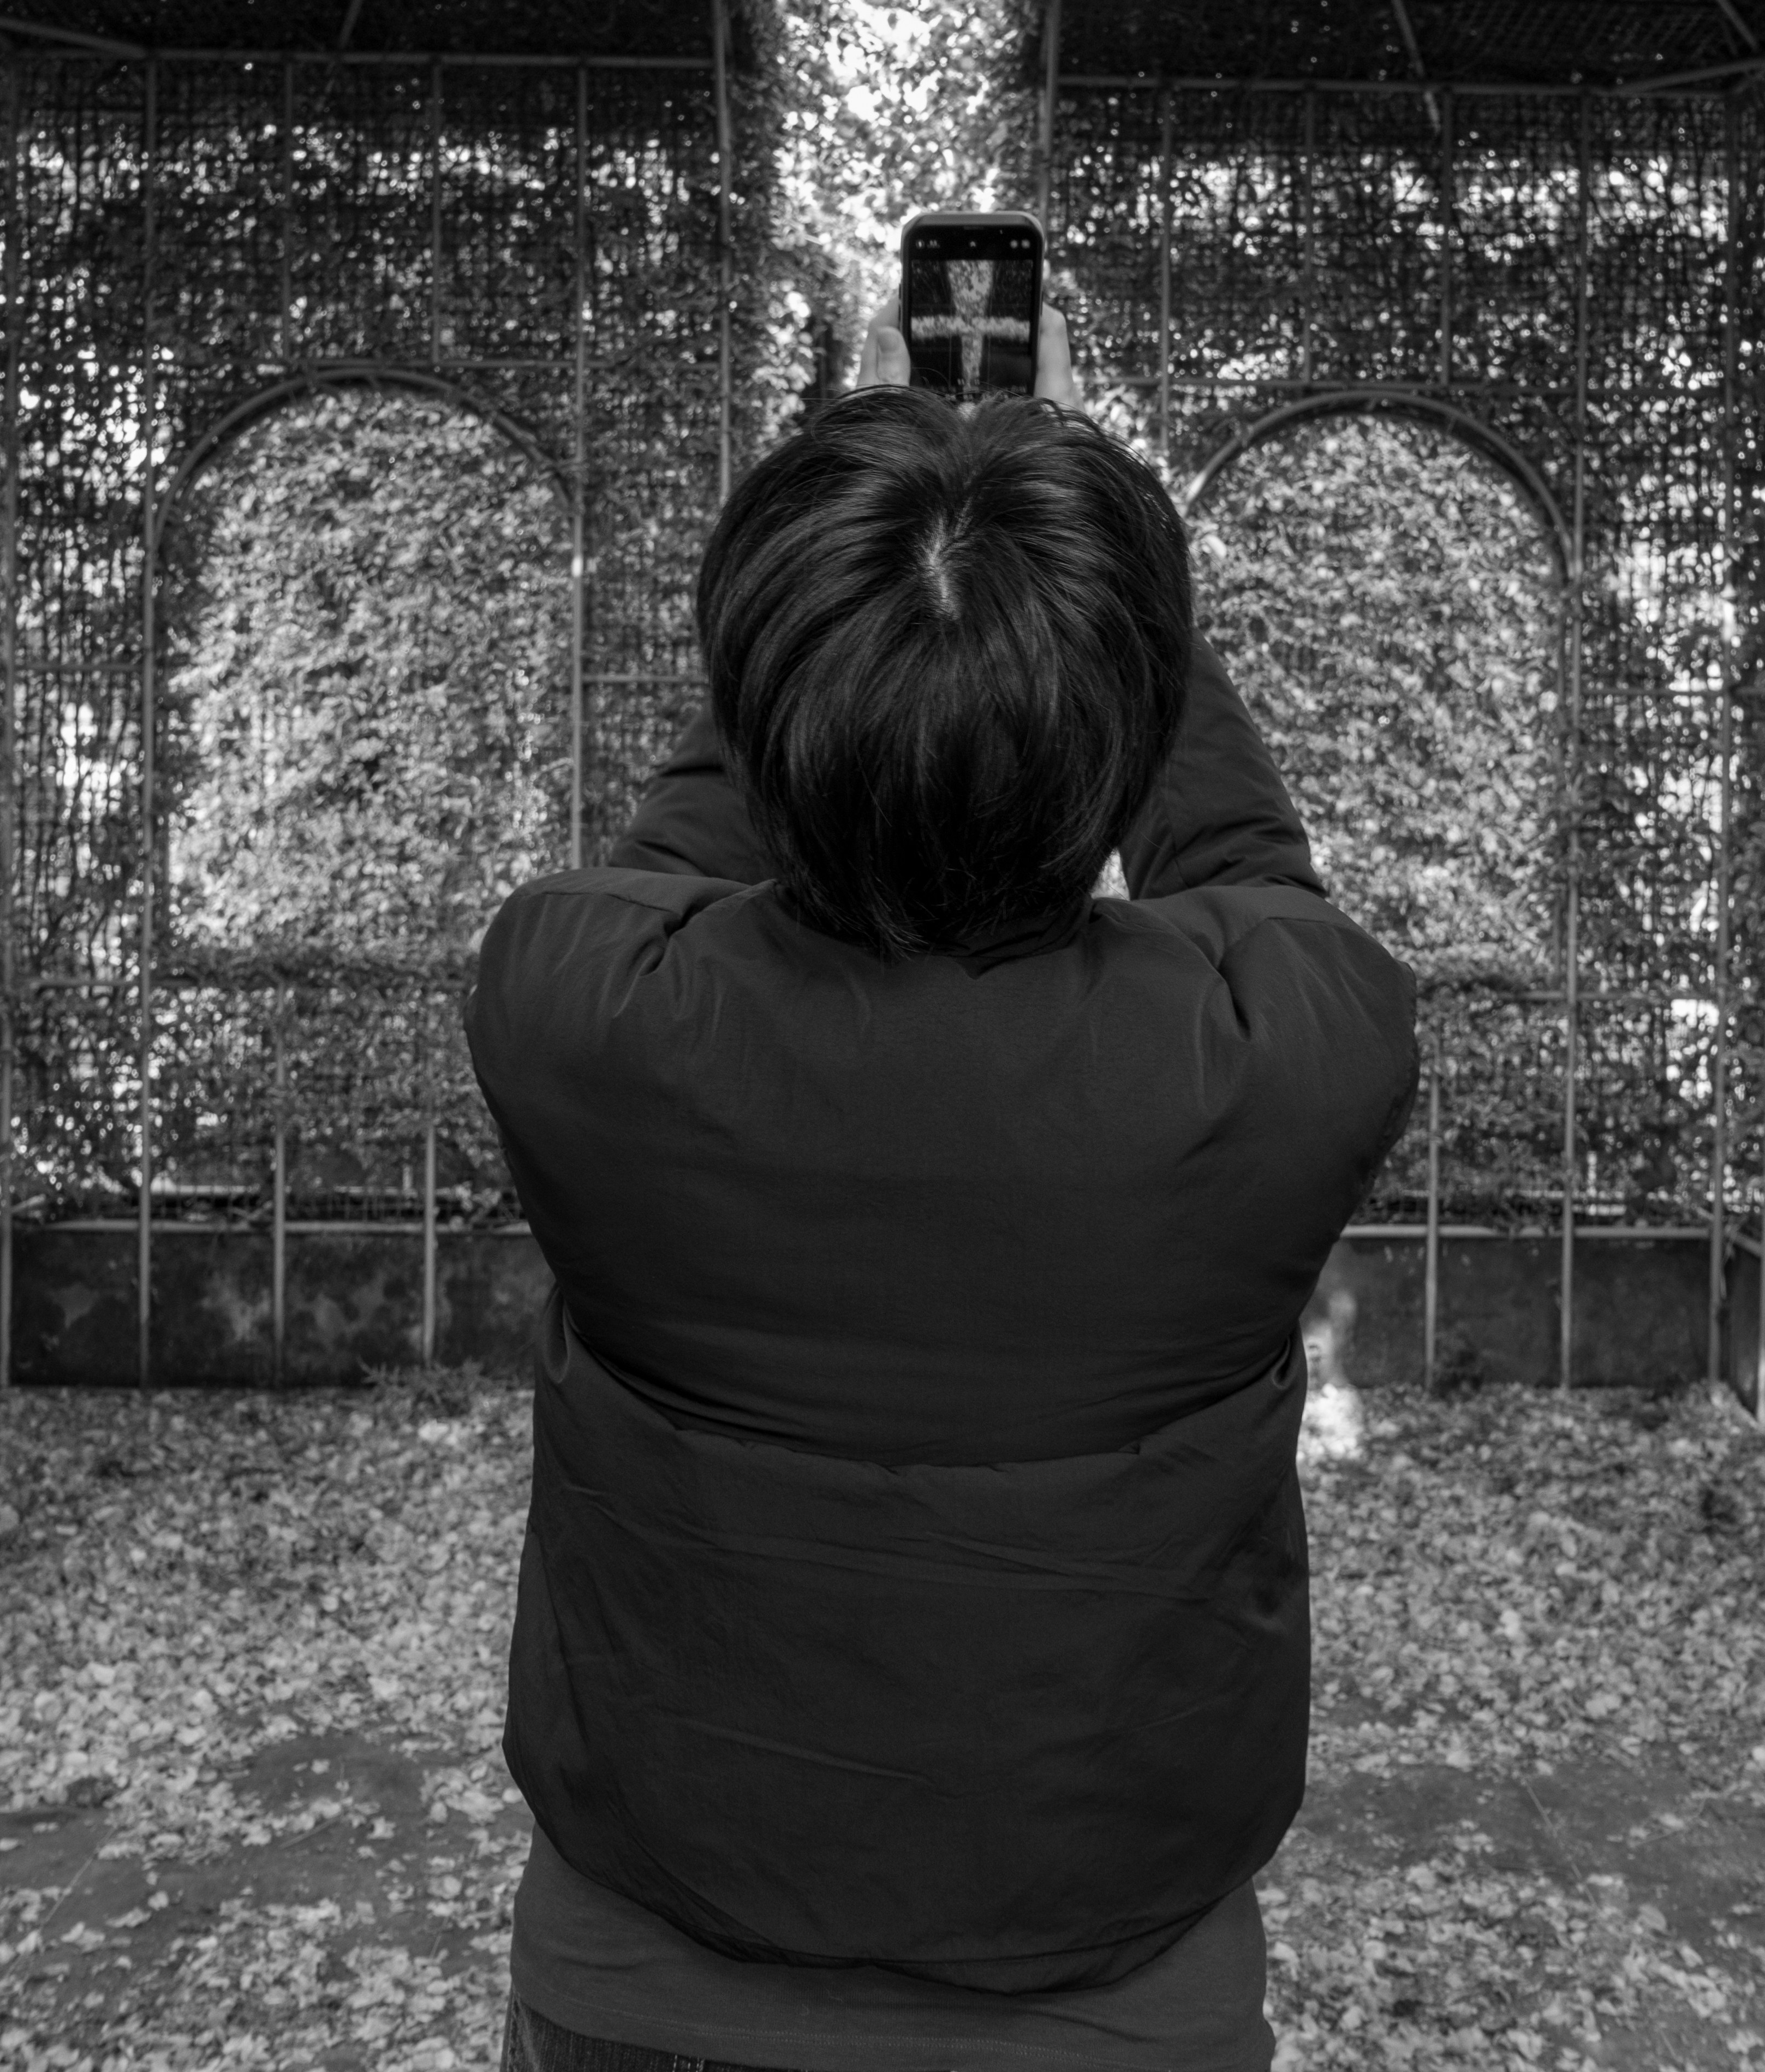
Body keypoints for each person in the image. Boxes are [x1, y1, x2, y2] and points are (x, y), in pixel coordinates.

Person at [467, 291, 1418, 2072]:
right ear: (1121, 716)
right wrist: (1058, 536)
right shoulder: (1284, 1052)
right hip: (1114, 1973)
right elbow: (1254, 872)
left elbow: (677, 857)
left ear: (769, 689)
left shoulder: (579, 1017)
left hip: (652, 1959)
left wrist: (869, 575)